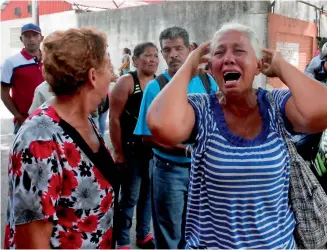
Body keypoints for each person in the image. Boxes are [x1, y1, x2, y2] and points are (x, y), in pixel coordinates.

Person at [145, 22, 327, 249]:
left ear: (258, 66)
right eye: (219, 53)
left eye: (239, 51)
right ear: (211, 67)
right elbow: (160, 125)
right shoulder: (202, 108)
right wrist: (189, 65)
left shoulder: (275, 104)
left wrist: (282, 66)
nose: (228, 58)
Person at [4, 28, 120, 249]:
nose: (113, 76)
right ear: (93, 76)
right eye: (109, 67)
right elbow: (32, 243)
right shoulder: (39, 140)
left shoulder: (86, 120)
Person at [134, 26, 218, 249]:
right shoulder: (156, 87)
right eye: (167, 50)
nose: (173, 55)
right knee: (169, 233)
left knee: (201, 229)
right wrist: (184, 148)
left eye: (178, 48)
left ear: (191, 49)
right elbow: (146, 136)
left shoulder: (208, 82)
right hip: (169, 171)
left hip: (203, 170)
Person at [109, 42, 159, 249]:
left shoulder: (160, 83)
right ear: (136, 60)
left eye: (156, 55)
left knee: (148, 196)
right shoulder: (127, 81)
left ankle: (143, 235)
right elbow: (114, 118)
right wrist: (119, 151)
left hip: (154, 150)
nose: (153, 59)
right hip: (131, 149)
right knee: (130, 196)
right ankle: (122, 240)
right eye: (148, 55)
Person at [1, 23, 44, 134]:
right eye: (27, 36)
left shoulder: (50, 60)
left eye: (35, 35)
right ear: (21, 39)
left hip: (50, 118)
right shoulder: (11, 62)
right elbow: (4, 93)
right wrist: (18, 116)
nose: (31, 39)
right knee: (25, 151)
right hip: (24, 120)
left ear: (41, 38)